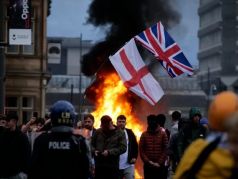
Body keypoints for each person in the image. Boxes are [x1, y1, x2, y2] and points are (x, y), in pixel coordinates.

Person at [174, 91, 238, 179]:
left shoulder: (196, 150)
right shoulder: (186, 131)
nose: (197, 118)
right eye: (195, 116)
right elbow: (180, 143)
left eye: (198, 116)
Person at [28, 100, 89, 179]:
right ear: (72, 119)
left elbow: (33, 169)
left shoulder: (42, 140)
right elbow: (85, 171)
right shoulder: (79, 141)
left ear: (52, 119)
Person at [91, 115, 127, 179]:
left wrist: (109, 152)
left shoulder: (120, 133)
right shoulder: (98, 132)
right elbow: (91, 145)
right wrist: (94, 151)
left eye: (106, 126)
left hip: (112, 166)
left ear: (111, 123)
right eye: (103, 126)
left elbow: (123, 148)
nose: (105, 128)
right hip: (99, 165)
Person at [0, 112, 31, 179]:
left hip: (17, 173)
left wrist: (24, 173)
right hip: (4, 172)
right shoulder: (3, 135)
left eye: (8, 121)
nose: (6, 123)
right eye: (6, 121)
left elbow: (27, 154)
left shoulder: (21, 136)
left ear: (14, 121)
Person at [139, 114, 168, 179]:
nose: (151, 123)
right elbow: (141, 150)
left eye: (153, 121)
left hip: (160, 166)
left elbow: (165, 149)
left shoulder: (163, 134)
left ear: (157, 122)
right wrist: (148, 161)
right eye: (150, 121)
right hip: (148, 166)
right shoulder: (144, 135)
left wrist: (159, 162)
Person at [116, 114, 138, 179]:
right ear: (116, 122)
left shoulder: (129, 132)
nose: (121, 123)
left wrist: (134, 157)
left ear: (126, 123)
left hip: (128, 164)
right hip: (116, 165)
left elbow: (135, 146)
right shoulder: (113, 133)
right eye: (119, 122)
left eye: (123, 122)